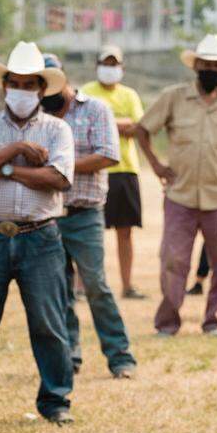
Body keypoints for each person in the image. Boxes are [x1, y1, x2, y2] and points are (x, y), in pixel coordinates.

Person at [0, 41, 76, 425]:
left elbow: (57, 179)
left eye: (29, 85)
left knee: (48, 322)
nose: (21, 91)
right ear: (3, 86)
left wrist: (3, 168)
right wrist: (18, 150)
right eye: (15, 83)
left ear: (42, 90)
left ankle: (55, 401)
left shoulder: (58, 130)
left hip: (39, 236)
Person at [135, 34, 217, 337]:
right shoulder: (173, 97)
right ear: (195, 66)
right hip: (180, 194)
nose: (211, 69)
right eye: (206, 64)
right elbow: (143, 130)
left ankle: (214, 320)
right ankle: (167, 322)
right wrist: (155, 164)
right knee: (173, 260)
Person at [40, 54, 137, 378]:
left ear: (64, 78)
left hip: (85, 212)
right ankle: (70, 355)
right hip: (48, 213)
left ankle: (120, 356)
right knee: (59, 288)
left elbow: (108, 154)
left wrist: (58, 168)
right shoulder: (37, 113)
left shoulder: (95, 108)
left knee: (96, 284)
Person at [81, 45, 148, 299]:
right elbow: (85, 126)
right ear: (97, 65)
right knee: (88, 230)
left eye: (114, 64)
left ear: (122, 68)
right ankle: (81, 285)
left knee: (125, 230)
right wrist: (121, 123)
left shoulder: (130, 95)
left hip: (125, 169)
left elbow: (139, 127)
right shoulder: (86, 92)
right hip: (95, 168)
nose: (110, 69)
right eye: (105, 63)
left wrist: (105, 121)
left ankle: (127, 285)